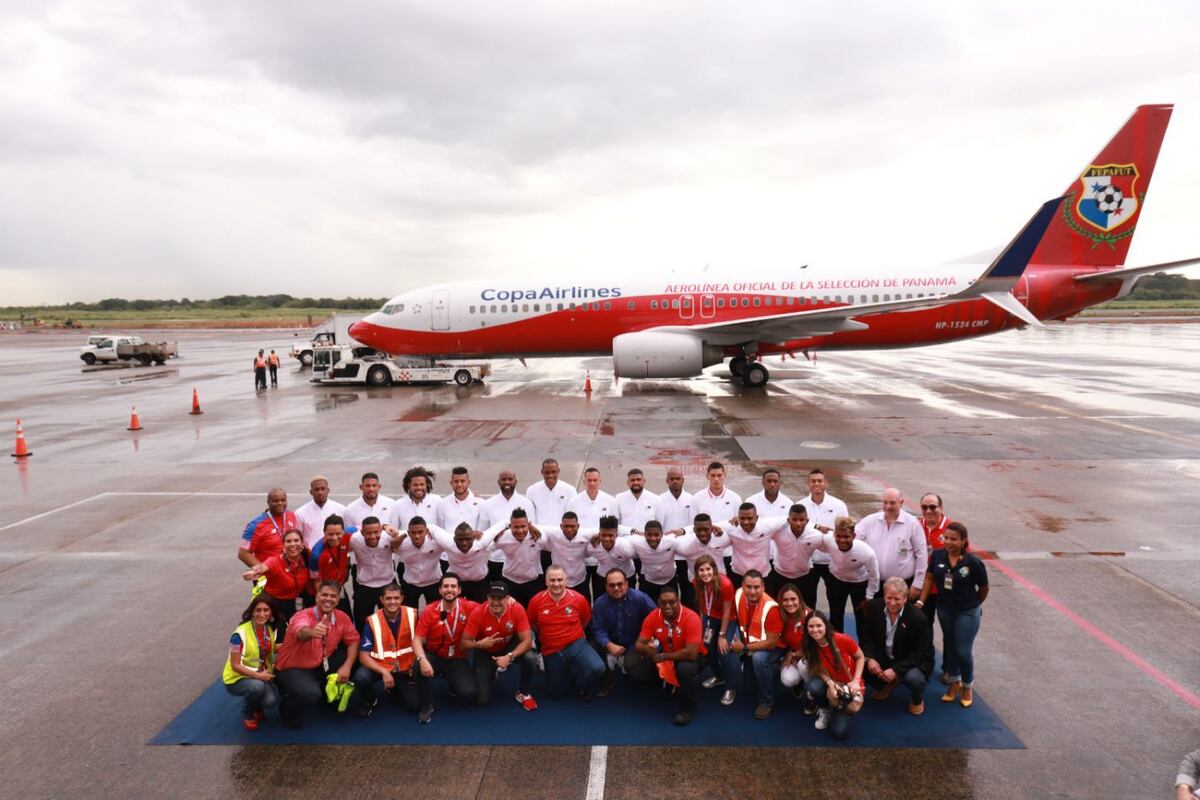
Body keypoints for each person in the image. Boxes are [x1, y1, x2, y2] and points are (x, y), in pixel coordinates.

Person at [918, 521, 988, 708]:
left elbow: (983, 588)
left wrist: (973, 605)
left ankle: (967, 685)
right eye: (946, 538)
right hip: (945, 609)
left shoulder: (973, 562)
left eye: (953, 539)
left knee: (963, 650)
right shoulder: (938, 555)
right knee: (950, 645)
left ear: (964, 541)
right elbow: (930, 578)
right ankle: (954, 683)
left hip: (967, 611)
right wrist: (921, 601)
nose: (948, 542)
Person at [274, 580, 360, 729]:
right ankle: (286, 712)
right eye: (324, 595)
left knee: (354, 659)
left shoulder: (342, 617)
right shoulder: (302, 616)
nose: (328, 599)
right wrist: (313, 631)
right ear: (316, 597)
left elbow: (353, 641)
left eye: (333, 596)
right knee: (311, 694)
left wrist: (346, 666)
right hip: (293, 667)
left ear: (338, 600)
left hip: (319, 662)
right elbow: (301, 632)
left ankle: (326, 696)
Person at [630, 586, 706, 725]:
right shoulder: (653, 616)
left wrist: (663, 656)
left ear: (679, 601)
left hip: (692, 657)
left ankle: (688, 708)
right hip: (666, 654)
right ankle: (667, 682)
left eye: (672, 602)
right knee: (636, 667)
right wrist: (648, 649)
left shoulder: (691, 617)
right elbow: (639, 644)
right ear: (658, 602)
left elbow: (691, 653)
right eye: (663, 603)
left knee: (684, 670)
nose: (668, 606)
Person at [527, 565, 605, 700]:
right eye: (552, 580)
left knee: (597, 668)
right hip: (551, 650)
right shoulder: (536, 601)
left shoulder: (579, 599)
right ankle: (567, 669)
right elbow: (533, 623)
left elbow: (585, 620)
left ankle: (579, 681)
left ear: (566, 581)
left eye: (559, 580)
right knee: (556, 693)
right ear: (546, 582)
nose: (556, 584)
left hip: (576, 644)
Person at [860, 577, 934, 715]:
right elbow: (866, 637)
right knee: (858, 663)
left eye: (897, 599)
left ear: (905, 598)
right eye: (889, 598)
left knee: (914, 679)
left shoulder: (918, 618)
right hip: (885, 655)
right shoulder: (874, 607)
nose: (892, 603)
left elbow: (921, 653)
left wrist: (896, 670)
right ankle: (888, 683)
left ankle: (917, 699)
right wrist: (870, 658)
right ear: (884, 596)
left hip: (910, 660)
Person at [412, 573, 479, 723]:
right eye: (446, 586)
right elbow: (417, 639)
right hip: (434, 655)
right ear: (440, 591)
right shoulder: (430, 610)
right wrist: (422, 659)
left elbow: (491, 608)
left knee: (469, 693)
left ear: (459, 590)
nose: (449, 590)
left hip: (457, 658)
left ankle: (452, 682)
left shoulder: (471, 607)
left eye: (453, 586)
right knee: (417, 666)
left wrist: (509, 600)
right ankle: (427, 704)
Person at [462, 581, 539, 711]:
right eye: (493, 598)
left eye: (500, 598)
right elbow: (464, 644)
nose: (496, 602)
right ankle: (492, 672)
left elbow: (527, 641)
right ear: (487, 598)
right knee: (481, 700)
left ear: (508, 599)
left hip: (509, 647)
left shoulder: (517, 608)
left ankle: (524, 693)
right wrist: (479, 644)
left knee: (531, 658)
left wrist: (510, 656)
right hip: (485, 651)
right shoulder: (478, 612)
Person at [352, 583, 419, 718]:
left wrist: (415, 663)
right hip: (381, 666)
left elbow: (421, 643)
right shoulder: (372, 621)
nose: (392, 602)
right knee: (361, 677)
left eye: (396, 598)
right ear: (381, 600)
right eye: (388, 598)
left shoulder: (413, 615)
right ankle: (370, 700)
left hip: (406, 667)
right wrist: (384, 672)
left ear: (402, 599)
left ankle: (394, 688)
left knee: (415, 706)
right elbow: (363, 656)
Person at [724, 569, 783, 719]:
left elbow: (771, 643)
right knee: (749, 687)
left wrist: (744, 648)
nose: (752, 591)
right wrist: (725, 637)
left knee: (759, 660)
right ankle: (771, 670)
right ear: (742, 586)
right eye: (748, 586)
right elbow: (732, 617)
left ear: (763, 587)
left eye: (756, 587)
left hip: (773, 648)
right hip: (750, 646)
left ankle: (766, 701)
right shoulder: (738, 595)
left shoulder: (771, 608)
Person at [590, 568, 656, 695]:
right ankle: (606, 676)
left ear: (626, 584)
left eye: (619, 584)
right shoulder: (599, 603)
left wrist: (648, 641)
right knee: (592, 647)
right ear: (606, 586)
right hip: (611, 641)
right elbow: (598, 628)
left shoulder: (640, 598)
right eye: (612, 585)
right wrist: (608, 644)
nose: (616, 588)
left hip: (634, 643)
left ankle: (644, 675)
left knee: (633, 667)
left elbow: (656, 619)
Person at [800, 610, 865, 740]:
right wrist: (830, 683)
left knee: (839, 733)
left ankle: (837, 707)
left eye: (819, 625)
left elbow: (860, 657)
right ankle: (825, 708)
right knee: (812, 687)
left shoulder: (842, 639)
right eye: (811, 626)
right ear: (806, 629)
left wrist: (856, 680)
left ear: (826, 626)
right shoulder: (809, 644)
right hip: (831, 681)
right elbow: (816, 668)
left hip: (849, 684)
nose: (815, 630)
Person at [855, 487, 927, 601]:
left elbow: (921, 554)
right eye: (885, 502)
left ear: (901, 502)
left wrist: (918, 583)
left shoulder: (912, 524)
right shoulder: (869, 521)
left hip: (902, 586)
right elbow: (853, 538)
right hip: (876, 583)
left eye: (892, 503)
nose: (888, 506)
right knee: (876, 617)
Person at [223, 595, 280, 730]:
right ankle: (247, 712)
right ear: (252, 612)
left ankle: (255, 704)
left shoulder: (269, 629)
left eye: (266, 610)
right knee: (257, 687)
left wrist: (294, 640)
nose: (262, 614)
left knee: (271, 702)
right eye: (258, 610)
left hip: (259, 674)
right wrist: (259, 676)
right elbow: (235, 665)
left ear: (271, 612)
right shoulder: (239, 635)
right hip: (237, 679)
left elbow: (270, 647)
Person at [819, 516, 880, 635]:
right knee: (835, 615)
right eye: (839, 536)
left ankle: (864, 649)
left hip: (859, 583)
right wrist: (817, 526)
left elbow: (874, 576)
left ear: (854, 536)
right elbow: (815, 530)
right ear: (834, 534)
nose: (842, 540)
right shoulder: (828, 539)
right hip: (836, 580)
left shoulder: (866, 552)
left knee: (862, 618)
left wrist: (869, 597)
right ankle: (836, 646)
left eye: (846, 536)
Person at [800, 468, 849, 609]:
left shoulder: (839, 505)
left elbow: (846, 529)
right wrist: (816, 527)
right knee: (808, 603)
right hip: (809, 561)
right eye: (813, 481)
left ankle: (836, 630)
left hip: (831, 561)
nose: (817, 484)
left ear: (826, 483)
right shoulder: (800, 505)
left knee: (836, 603)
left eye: (820, 481)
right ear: (808, 483)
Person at [241, 529, 311, 624]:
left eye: (296, 540)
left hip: (295, 602)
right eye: (288, 541)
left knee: (300, 628)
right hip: (273, 603)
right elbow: (263, 567)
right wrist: (253, 572)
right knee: (279, 632)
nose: (292, 544)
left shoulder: (307, 559)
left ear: (302, 543)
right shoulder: (275, 561)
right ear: (283, 545)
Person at [427, 521, 502, 603]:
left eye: (467, 539)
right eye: (460, 540)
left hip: (479, 582)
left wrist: (503, 532)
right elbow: (430, 526)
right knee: (452, 610)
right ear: (454, 539)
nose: (464, 543)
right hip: (456, 582)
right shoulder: (447, 542)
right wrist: (427, 532)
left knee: (481, 611)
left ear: (473, 538)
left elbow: (504, 524)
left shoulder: (482, 541)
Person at [691, 554, 735, 694]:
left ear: (714, 569)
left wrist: (722, 635)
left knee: (723, 651)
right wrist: (702, 627)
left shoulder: (725, 584)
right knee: (707, 647)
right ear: (697, 572)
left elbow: (727, 610)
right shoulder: (696, 583)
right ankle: (719, 676)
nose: (705, 573)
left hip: (728, 618)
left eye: (708, 569)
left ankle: (730, 687)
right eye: (701, 570)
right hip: (710, 617)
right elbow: (702, 606)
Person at [487, 509, 548, 607]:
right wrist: (494, 534)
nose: (520, 531)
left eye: (523, 526)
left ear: (528, 525)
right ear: (510, 526)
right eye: (516, 527)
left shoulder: (538, 536)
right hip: (510, 581)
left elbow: (554, 548)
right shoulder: (502, 537)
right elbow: (485, 548)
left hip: (533, 582)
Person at [479, 469, 531, 580]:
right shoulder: (488, 504)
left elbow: (532, 529)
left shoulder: (527, 502)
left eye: (510, 479)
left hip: (520, 559)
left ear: (515, 481)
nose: (507, 482)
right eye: (504, 479)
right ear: (499, 482)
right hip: (496, 560)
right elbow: (482, 533)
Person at [768, 504, 824, 607]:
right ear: (788, 520)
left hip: (805, 577)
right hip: (779, 576)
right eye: (794, 519)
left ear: (807, 521)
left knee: (808, 610)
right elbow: (759, 527)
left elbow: (833, 548)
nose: (798, 523)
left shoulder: (816, 536)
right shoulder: (777, 532)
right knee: (775, 608)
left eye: (802, 520)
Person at [348, 517, 396, 632]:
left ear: (381, 530)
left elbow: (409, 535)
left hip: (387, 583)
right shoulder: (354, 539)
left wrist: (390, 528)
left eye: (376, 532)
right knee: (361, 623)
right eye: (368, 533)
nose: (373, 536)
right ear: (361, 532)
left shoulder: (389, 537)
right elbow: (338, 540)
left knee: (392, 620)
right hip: (364, 585)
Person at [655, 466, 694, 605]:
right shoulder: (659, 500)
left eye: (678, 479)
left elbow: (696, 525)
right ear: (667, 481)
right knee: (669, 592)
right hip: (667, 553)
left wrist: (683, 531)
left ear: (683, 480)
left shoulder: (692, 499)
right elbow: (656, 525)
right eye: (672, 479)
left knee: (688, 590)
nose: (675, 481)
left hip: (686, 552)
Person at [721, 503, 783, 587]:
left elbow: (787, 519)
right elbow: (710, 524)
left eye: (749, 518)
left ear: (757, 518)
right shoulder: (732, 527)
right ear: (737, 518)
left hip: (763, 576)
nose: (746, 522)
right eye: (742, 518)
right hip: (738, 575)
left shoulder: (767, 526)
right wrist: (715, 528)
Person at [532, 512, 593, 596]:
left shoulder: (585, 534)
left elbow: (606, 530)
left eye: (572, 526)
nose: (569, 529)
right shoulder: (553, 533)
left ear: (578, 526)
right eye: (566, 526)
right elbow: (538, 527)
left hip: (579, 582)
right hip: (558, 583)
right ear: (561, 526)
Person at [390, 516, 445, 609]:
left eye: (420, 532)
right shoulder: (402, 544)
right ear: (408, 532)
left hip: (434, 582)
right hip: (410, 583)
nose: (417, 536)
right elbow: (391, 546)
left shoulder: (436, 542)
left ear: (427, 531)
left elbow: (454, 542)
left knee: (435, 615)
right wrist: (401, 536)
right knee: (410, 615)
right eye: (413, 532)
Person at [238, 488, 298, 568]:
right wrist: (264, 569)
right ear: (268, 502)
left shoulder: (291, 516)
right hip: (268, 575)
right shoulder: (254, 526)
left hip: (290, 571)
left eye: (283, 500)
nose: (280, 503)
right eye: (275, 501)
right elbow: (243, 554)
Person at [307, 514, 355, 615]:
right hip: (323, 592)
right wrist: (326, 600)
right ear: (324, 532)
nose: (334, 537)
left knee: (347, 620)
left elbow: (363, 528)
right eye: (330, 534)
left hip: (338, 587)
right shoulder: (316, 555)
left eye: (338, 533)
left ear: (344, 531)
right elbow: (317, 583)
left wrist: (385, 527)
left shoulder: (350, 532)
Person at [918, 492, 951, 627]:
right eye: (924, 507)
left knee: (950, 628)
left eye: (932, 507)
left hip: (946, 587)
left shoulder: (952, 527)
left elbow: (963, 558)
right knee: (924, 625)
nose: (928, 511)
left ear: (941, 508)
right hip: (924, 587)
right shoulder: (916, 526)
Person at [625, 521, 680, 600]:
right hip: (648, 582)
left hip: (670, 581)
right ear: (644, 534)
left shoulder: (672, 541)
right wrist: (633, 531)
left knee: (672, 608)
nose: (653, 538)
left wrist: (682, 531)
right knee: (648, 610)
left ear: (662, 534)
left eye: (656, 535)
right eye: (649, 535)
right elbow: (617, 534)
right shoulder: (636, 541)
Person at [776, 583, 814, 695]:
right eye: (785, 600)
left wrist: (795, 654)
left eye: (793, 599)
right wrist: (790, 653)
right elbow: (785, 642)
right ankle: (799, 683)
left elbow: (818, 645)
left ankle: (811, 694)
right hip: (795, 654)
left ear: (800, 599)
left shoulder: (811, 617)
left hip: (813, 657)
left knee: (804, 665)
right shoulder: (782, 617)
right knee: (788, 679)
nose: (790, 603)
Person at [587, 518, 636, 600]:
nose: (607, 539)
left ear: (616, 535)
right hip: (603, 577)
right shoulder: (592, 547)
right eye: (604, 535)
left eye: (610, 536)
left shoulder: (626, 548)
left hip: (626, 576)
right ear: (599, 534)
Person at [294, 476, 346, 551]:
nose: (320, 492)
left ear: (328, 490)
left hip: (336, 554)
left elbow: (345, 533)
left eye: (323, 489)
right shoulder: (300, 513)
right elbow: (297, 537)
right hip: (311, 556)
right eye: (316, 489)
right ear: (311, 492)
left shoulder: (341, 509)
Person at [524, 458, 575, 526]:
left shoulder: (570, 490)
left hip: (562, 533)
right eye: (547, 472)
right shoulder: (531, 490)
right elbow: (528, 514)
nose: (550, 475)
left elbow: (574, 514)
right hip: (540, 533)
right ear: (542, 472)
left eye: (553, 472)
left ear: (558, 471)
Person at [389, 466, 441, 532]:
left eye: (422, 484)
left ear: (426, 485)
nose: (419, 487)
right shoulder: (398, 504)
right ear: (409, 485)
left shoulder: (438, 501)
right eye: (415, 485)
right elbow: (394, 530)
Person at [435, 466, 484, 532]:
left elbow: (482, 530)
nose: (459, 484)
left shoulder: (480, 503)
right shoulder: (442, 504)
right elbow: (441, 530)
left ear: (468, 482)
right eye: (456, 481)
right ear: (451, 483)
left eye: (462, 481)